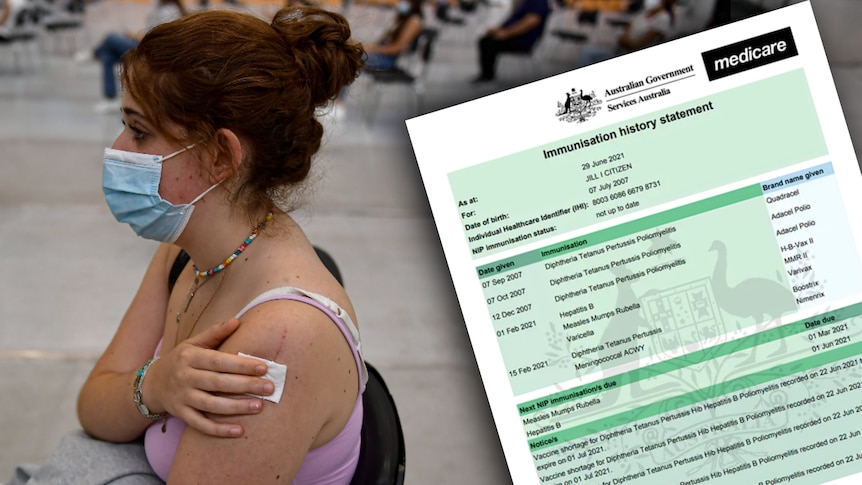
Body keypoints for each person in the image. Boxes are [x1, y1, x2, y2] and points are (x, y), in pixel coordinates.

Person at [8, 5, 366, 484]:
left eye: (139, 130)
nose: (118, 147)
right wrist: (156, 383)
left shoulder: (283, 341)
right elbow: (94, 407)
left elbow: (108, 408)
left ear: (221, 156)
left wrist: (137, 391)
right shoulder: (186, 254)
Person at [76, 0, 187, 114]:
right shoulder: (159, 7)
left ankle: (94, 53)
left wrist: (134, 35)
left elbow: (159, 38)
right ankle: (110, 98)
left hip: (151, 51)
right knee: (108, 56)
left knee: (111, 38)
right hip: (145, 45)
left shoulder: (168, 11)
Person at [469, 0, 550, 83]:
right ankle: (487, 74)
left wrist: (507, 33)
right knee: (486, 39)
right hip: (514, 36)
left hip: (522, 40)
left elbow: (532, 21)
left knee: (488, 43)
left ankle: (487, 76)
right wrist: (498, 31)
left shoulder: (538, 2)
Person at [577, 0, 677, 67]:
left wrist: (624, 40)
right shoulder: (643, 14)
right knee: (589, 50)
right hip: (620, 50)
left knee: (591, 54)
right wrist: (623, 40)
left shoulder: (663, 19)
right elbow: (625, 33)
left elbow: (637, 45)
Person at [361, 0, 423, 71]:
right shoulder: (403, 18)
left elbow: (397, 48)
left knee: (353, 58)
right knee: (354, 52)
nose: (401, 3)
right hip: (382, 55)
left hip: (388, 59)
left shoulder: (414, 21)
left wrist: (374, 49)